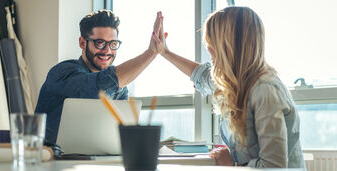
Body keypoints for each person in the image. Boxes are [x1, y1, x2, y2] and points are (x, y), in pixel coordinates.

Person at [154, 7, 305, 168]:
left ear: (229, 48)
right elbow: (201, 75)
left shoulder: (265, 91)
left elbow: (275, 167)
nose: (209, 51)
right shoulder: (235, 83)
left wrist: (234, 165)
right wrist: (165, 52)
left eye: (212, 45)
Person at [35, 10, 163, 144]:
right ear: (82, 43)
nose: (107, 51)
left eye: (113, 44)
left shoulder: (120, 90)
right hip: (52, 159)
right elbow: (99, 86)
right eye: (100, 43)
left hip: (96, 159)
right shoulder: (62, 73)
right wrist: (150, 53)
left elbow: (122, 134)